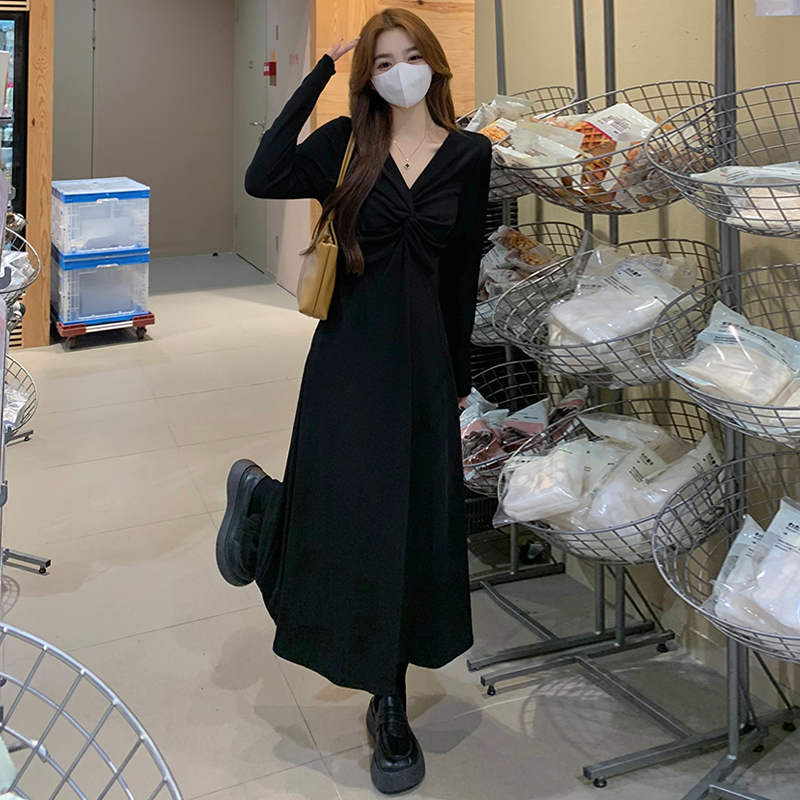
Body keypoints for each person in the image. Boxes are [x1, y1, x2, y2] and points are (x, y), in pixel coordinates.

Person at [215, 7, 491, 795]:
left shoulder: (470, 155)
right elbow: (263, 175)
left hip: (425, 364)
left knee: (408, 527)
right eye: (383, 62)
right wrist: (320, 74)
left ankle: (389, 699)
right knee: (348, 512)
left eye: (411, 57)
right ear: (369, 75)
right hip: (349, 356)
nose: (399, 72)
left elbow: (461, 271)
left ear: (434, 64)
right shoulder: (346, 144)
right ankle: (268, 509)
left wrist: (458, 375)